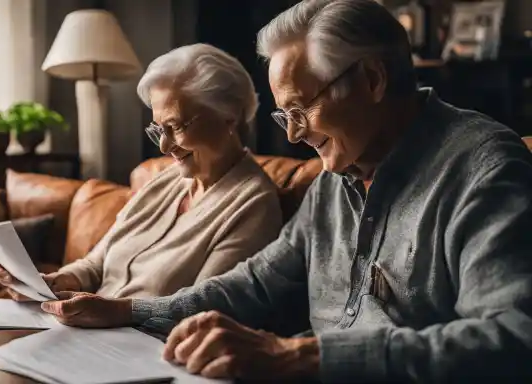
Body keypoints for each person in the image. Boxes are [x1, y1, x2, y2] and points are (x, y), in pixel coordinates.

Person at [38, 0, 532, 382]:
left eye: (301, 110)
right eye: (284, 115)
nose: (293, 135)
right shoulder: (333, 182)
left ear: (373, 79)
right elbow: (253, 285)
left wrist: (302, 356)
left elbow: (514, 337)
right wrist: (128, 311)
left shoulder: (484, 168)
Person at [0, 43, 283, 301]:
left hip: (144, 351)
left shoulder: (254, 204)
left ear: (228, 118)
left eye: (176, 126)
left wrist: (106, 311)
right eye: (159, 129)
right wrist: (48, 283)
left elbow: (202, 307)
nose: (165, 146)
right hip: (86, 335)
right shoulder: (163, 181)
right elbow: (96, 263)